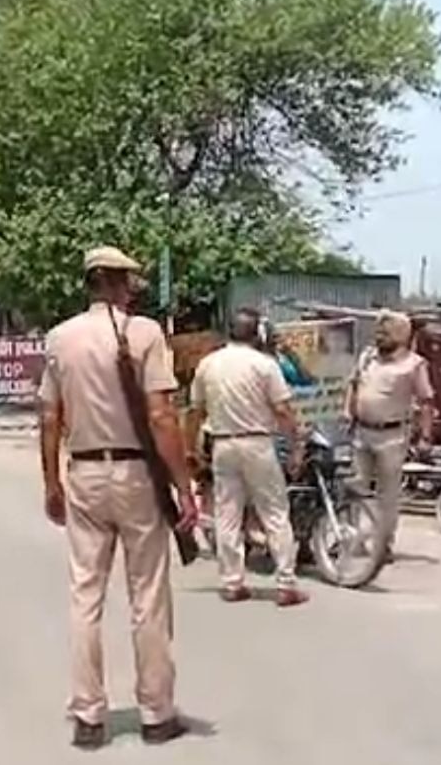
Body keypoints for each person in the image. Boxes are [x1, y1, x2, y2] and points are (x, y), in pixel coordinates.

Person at [38, 246, 197, 750]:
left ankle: (88, 716)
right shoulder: (145, 333)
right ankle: (156, 713)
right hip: (136, 475)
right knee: (147, 596)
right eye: (129, 281)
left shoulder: (59, 338)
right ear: (116, 282)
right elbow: (163, 417)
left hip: (84, 471)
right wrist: (183, 487)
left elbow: (48, 418)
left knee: (85, 596)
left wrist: (51, 483)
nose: (133, 289)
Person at [188, 309, 308, 607]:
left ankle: (232, 582)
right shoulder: (264, 365)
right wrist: (295, 445)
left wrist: (192, 447)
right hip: (258, 443)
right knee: (275, 513)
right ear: (257, 334)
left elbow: (195, 411)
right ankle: (286, 584)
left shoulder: (208, 364)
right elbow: (282, 410)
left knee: (227, 514)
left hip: (223, 445)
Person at [343, 311, 435, 558]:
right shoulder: (367, 357)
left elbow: (426, 401)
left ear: (401, 336)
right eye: (378, 332)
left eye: (386, 332)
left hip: (392, 435)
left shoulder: (414, 364)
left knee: (388, 495)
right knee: (355, 487)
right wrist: (349, 412)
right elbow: (353, 385)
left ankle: (383, 545)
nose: (379, 336)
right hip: (362, 431)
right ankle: (355, 540)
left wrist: (425, 437)